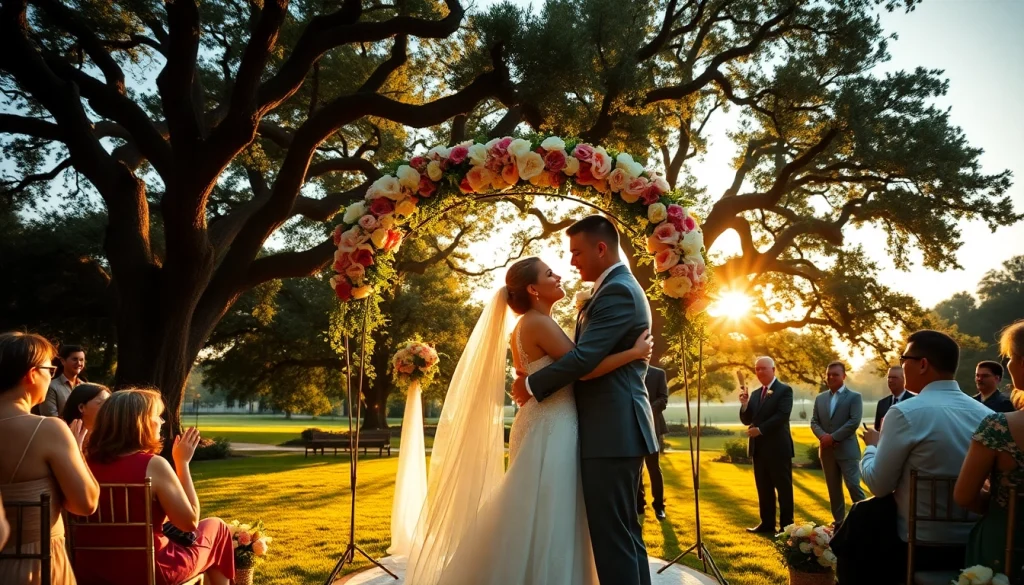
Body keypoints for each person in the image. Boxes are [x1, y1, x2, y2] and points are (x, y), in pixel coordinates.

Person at [406, 249, 655, 584]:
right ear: (533, 289)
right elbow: (584, 367)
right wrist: (634, 353)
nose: (559, 275)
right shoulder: (538, 323)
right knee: (550, 506)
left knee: (536, 504)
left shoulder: (531, 324)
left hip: (545, 419)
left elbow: (555, 368)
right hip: (553, 424)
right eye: (549, 273)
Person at [858, 329, 991, 573]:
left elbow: (879, 485)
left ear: (923, 364)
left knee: (858, 529)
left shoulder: (904, 413)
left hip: (918, 544)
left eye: (904, 359)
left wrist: (871, 447)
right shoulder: (988, 416)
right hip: (976, 543)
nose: (902, 366)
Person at [74, 388, 234, 585]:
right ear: (142, 422)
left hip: (90, 571)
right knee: (218, 528)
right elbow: (189, 523)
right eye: (157, 416)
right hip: (150, 571)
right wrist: (182, 463)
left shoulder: (81, 464)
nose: (161, 422)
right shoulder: (153, 465)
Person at [0, 332, 99, 585]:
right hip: (36, 568)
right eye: (50, 370)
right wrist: (77, 450)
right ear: (32, 374)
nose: (51, 377)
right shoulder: (48, 429)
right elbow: (86, 504)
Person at [954, 320, 1024, 572]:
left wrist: (999, 505)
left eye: (1010, 357)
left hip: (1007, 543)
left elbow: (964, 495)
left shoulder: (999, 426)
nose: (1009, 364)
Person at [739, 356, 795, 534]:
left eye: (764, 368)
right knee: (763, 489)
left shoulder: (784, 390)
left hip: (778, 449)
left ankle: (786, 526)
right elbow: (747, 419)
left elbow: (782, 415)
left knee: (783, 489)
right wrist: (745, 404)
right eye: (757, 369)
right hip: (759, 450)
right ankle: (767, 523)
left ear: (773, 370)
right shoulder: (756, 394)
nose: (760, 371)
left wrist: (760, 430)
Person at [810, 361, 865, 525]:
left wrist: (833, 438)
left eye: (835, 374)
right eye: (829, 374)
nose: (831, 377)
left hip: (847, 451)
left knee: (854, 486)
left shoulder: (854, 397)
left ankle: (864, 522)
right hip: (827, 452)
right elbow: (814, 421)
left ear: (844, 376)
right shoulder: (820, 398)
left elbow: (854, 422)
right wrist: (823, 437)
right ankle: (839, 523)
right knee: (833, 490)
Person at [638, 366, 668, 520]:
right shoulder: (628, 370)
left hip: (652, 426)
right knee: (636, 469)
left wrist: (647, 408)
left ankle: (659, 506)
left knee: (653, 467)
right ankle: (639, 504)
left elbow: (663, 399)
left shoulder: (658, 373)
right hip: (632, 426)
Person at [40, 344, 86, 418]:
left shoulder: (85, 387)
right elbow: (50, 418)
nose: (79, 363)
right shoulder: (51, 387)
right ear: (63, 361)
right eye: (74, 359)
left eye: (81, 360)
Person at [875, 365, 914, 431]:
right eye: (889, 377)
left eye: (894, 378)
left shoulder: (913, 401)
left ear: (904, 379)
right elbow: (877, 428)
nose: (890, 380)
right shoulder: (882, 403)